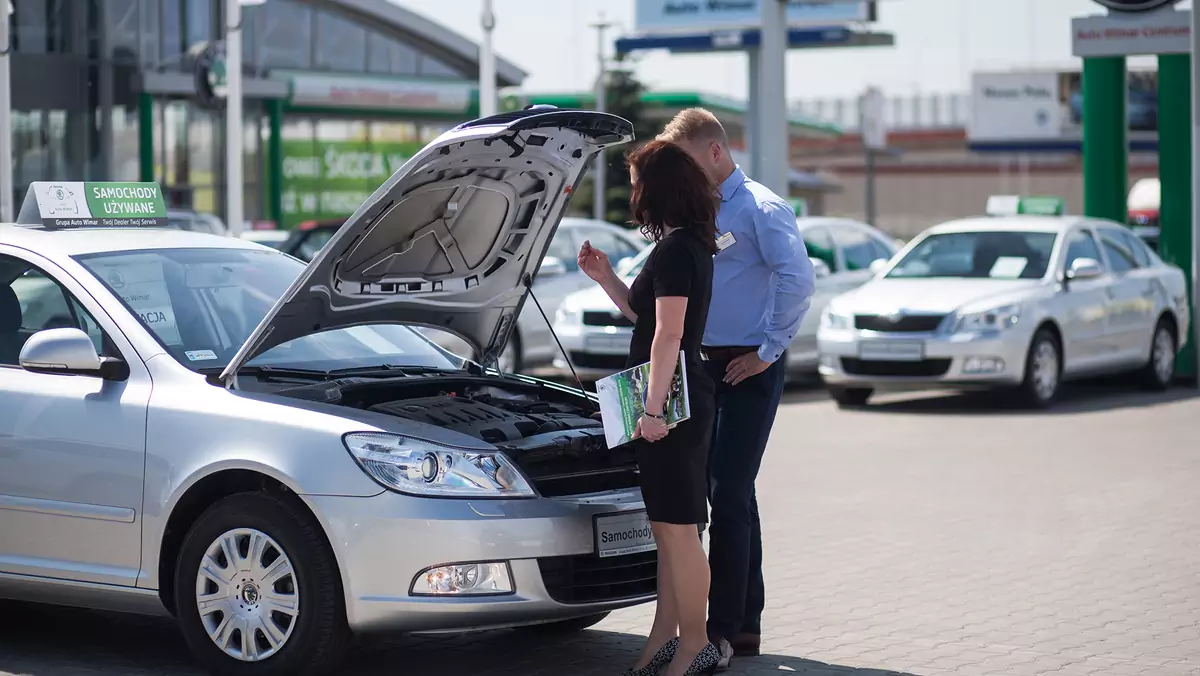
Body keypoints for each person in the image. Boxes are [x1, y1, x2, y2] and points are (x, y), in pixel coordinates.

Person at [657, 108, 816, 669]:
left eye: (687, 161)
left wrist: (768, 350)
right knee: (729, 493)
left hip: (749, 368)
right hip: (701, 370)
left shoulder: (760, 208)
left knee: (726, 492)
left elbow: (799, 279)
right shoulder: (695, 212)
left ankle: (720, 633)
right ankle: (744, 624)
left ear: (716, 153)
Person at [578, 139, 720, 676]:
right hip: (671, 404)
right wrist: (606, 278)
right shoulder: (682, 248)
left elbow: (668, 335)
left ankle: (695, 643)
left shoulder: (679, 250)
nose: (632, 192)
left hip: (672, 409)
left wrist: (654, 411)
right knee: (666, 529)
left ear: (658, 189)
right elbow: (644, 313)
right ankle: (665, 636)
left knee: (680, 531)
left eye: (637, 182)